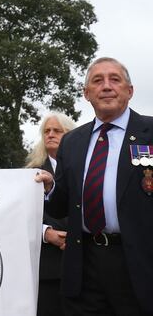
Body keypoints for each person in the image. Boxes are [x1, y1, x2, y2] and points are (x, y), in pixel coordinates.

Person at [36, 57, 153, 315]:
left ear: (130, 91)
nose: (107, 86)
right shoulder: (73, 141)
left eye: (115, 79)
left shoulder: (150, 132)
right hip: (84, 265)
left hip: (139, 264)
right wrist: (49, 188)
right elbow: (60, 204)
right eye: (98, 81)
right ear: (86, 93)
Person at [26, 112, 76, 316]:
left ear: (71, 135)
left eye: (57, 130)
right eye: (46, 131)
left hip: (83, 262)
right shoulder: (31, 174)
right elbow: (22, 216)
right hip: (48, 266)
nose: (51, 135)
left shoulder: (84, 168)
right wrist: (46, 233)